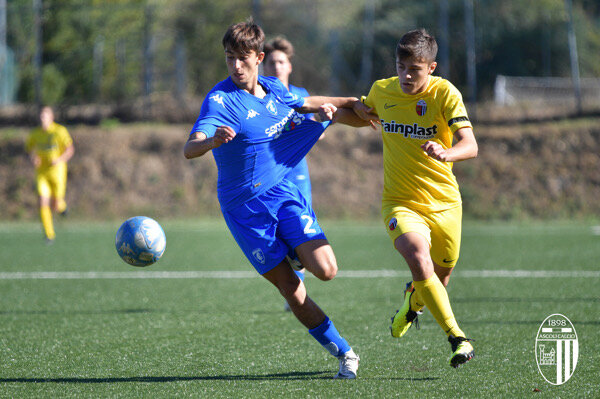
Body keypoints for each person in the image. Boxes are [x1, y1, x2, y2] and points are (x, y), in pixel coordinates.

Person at [183, 20, 366, 379]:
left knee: (327, 270)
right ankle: (345, 352)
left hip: (282, 193)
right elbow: (190, 148)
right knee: (292, 291)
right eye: (229, 58)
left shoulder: (275, 90)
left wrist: (351, 104)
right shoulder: (219, 100)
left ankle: (295, 251)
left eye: (242, 58)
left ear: (259, 58)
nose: (235, 66)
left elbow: (312, 102)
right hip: (243, 209)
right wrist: (211, 142)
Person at [352, 29, 478, 368]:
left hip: (446, 204)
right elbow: (360, 111)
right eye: (401, 66)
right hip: (400, 201)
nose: (406, 75)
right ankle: (458, 338)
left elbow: (471, 145)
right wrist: (345, 111)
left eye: (415, 69)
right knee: (417, 256)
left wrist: (446, 152)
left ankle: (411, 305)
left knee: (439, 278)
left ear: (431, 67)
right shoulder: (382, 90)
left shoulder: (445, 94)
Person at [263, 36, 313, 308]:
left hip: (296, 174)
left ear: (289, 66)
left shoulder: (301, 95)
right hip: (268, 176)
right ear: (263, 66)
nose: (277, 67)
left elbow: (313, 127)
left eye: (281, 61)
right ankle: (292, 283)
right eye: (272, 62)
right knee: (275, 234)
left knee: (300, 234)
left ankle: (297, 284)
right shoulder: (257, 97)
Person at [26, 106, 74, 243]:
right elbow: (30, 149)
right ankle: (49, 234)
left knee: (55, 204)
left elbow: (70, 150)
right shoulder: (35, 134)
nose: (43, 119)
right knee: (42, 201)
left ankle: (62, 208)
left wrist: (59, 159)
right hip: (41, 173)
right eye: (41, 116)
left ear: (51, 117)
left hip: (57, 172)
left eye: (45, 116)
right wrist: (33, 157)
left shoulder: (60, 131)